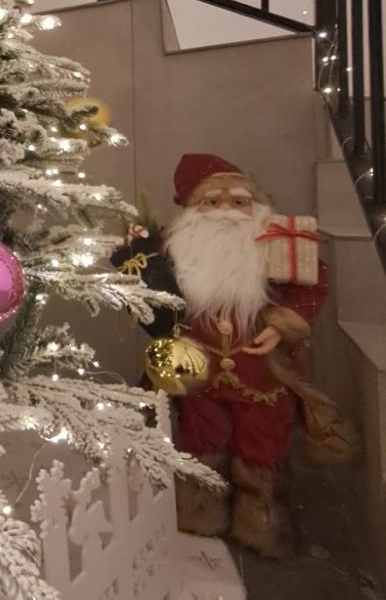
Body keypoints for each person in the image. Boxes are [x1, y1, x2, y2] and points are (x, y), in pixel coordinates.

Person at [113, 153, 355, 556]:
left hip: (262, 373)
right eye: (212, 202)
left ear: (256, 204)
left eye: (239, 201)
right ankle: (200, 508)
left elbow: (311, 286)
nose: (226, 210)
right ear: (192, 209)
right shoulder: (173, 247)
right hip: (199, 371)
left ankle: (260, 518)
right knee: (201, 435)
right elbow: (147, 283)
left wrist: (283, 323)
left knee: (263, 441)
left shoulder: (278, 242)